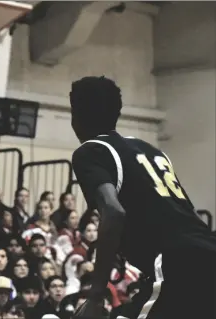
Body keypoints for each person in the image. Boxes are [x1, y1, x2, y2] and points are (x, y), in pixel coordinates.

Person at [69, 76, 216, 319]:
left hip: (177, 264)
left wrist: (95, 295)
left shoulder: (91, 151)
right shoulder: (151, 151)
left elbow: (114, 213)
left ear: (76, 117)